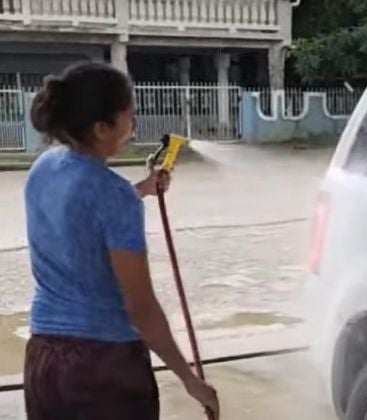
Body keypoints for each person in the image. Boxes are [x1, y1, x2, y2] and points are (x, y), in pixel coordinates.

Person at [23, 62, 220, 420]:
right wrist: (189, 378)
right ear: (101, 128)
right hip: (102, 370)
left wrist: (141, 190)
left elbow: (83, 215)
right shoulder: (114, 198)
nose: (134, 126)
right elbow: (140, 307)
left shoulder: (44, 168)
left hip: (43, 362)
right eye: (129, 117)